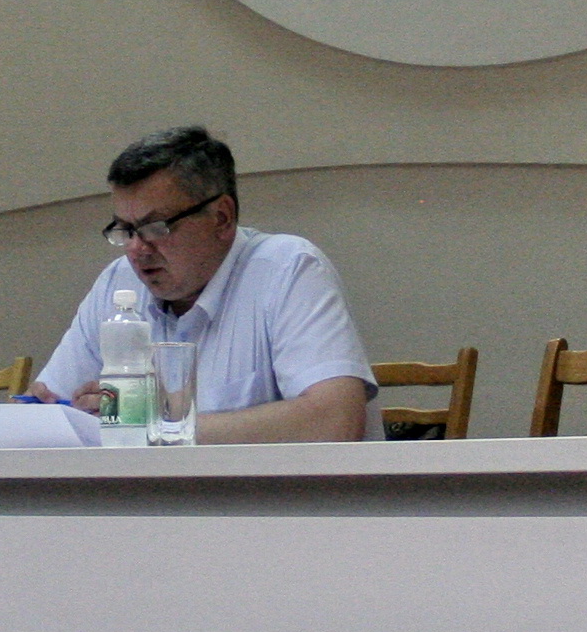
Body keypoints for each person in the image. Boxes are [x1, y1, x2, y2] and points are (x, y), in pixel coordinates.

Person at [29, 125, 377, 444]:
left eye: (155, 227)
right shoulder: (118, 283)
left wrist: (153, 424)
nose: (136, 248)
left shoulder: (288, 269)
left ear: (222, 218)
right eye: (126, 230)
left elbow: (335, 421)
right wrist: (44, 415)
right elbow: (45, 409)